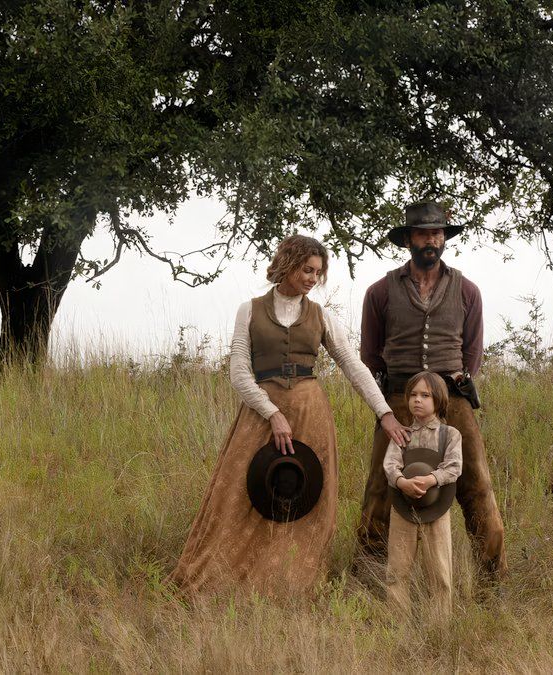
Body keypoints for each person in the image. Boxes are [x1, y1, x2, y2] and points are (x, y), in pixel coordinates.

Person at [170, 234, 410, 593]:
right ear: (287, 263)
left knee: (304, 496)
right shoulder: (249, 309)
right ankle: (230, 579)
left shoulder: (320, 315)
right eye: (306, 269)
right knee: (242, 494)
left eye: (318, 272)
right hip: (259, 415)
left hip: (310, 413)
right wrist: (271, 412)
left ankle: (292, 583)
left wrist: (385, 412)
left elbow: (351, 364)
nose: (313, 278)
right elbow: (238, 371)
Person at [355, 200, 507, 581]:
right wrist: (393, 404)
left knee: (476, 485)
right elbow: (370, 354)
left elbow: (473, 351)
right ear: (408, 239)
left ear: (445, 238)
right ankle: (371, 576)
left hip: (453, 400)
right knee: (380, 486)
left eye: (438, 233)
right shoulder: (380, 292)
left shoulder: (467, 289)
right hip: (398, 401)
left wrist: (449, 389)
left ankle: (491, 579)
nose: (431, 240)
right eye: (423, 233)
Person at [383, 371, 461, 618]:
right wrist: (402, 482)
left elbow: (454, 467)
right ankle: (397, 625)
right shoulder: (402, 435)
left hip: (437, 512)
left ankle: (439, 626)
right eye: (413, 395)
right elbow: (390, 465)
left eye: (425, 395)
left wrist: (430, 480)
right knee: (397, 570)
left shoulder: (450, 435)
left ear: (438, 400)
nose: (417, 400)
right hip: (403, 510)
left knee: (439, 572)